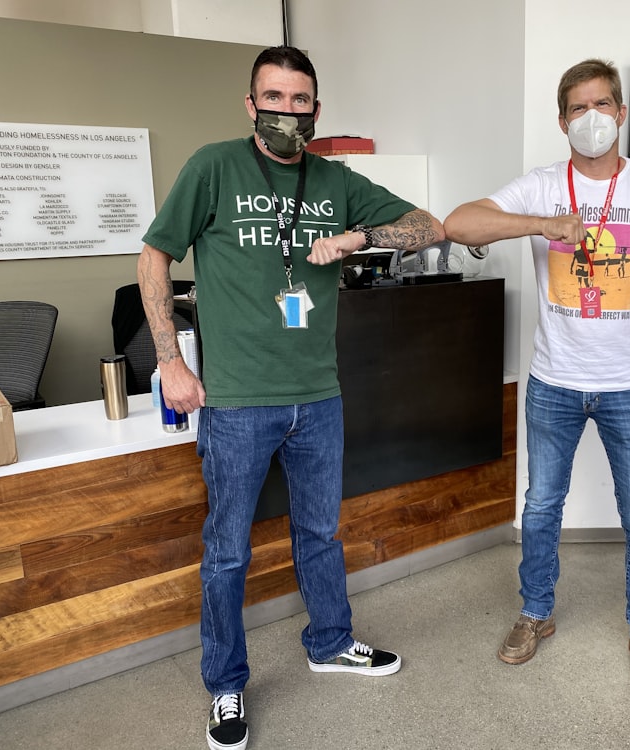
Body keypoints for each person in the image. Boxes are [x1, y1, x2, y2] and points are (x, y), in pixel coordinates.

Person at [138, 46, 444, 750]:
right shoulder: (213, 166)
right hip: (238, 401)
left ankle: (330, 642)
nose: (285, 110)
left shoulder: (334, 179)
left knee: (319, 535)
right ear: (251, 105)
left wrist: (359, 237)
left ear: (315, 110)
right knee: (227, 553)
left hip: (319, 396)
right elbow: (155, 253)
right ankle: (225, 686)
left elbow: (431, 226)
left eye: (298, 100)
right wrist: (169, 359)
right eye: (272, 97)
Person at [443, 58, 630, 696]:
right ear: (563, 120)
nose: (590, 117)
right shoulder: (543, 187)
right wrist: (541, 223)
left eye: (602, 105)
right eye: (577, 108)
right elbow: (460, 223)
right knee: (541, 507)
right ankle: (534, 613)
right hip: (555, 383)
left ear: (621, 113)